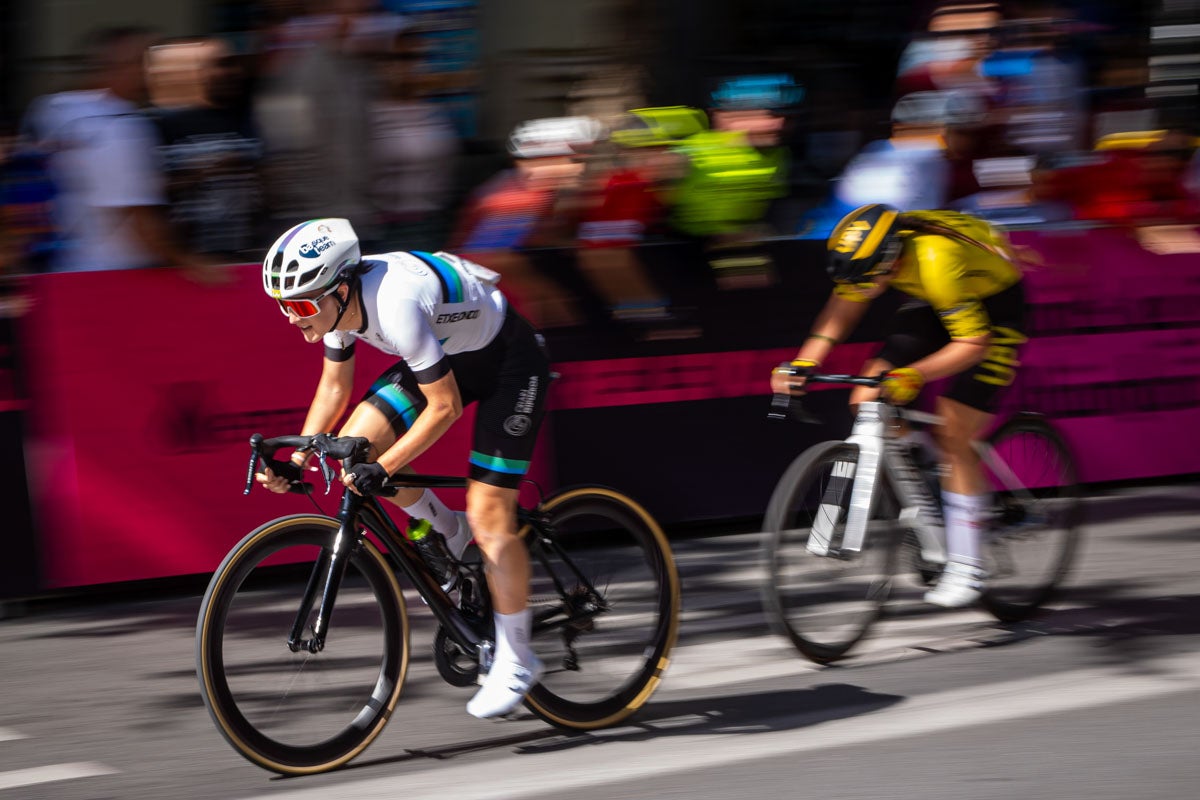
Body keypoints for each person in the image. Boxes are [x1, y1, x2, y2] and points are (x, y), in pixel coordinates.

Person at [254, 218, 551, 718]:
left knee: (490, 514)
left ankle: (518, 655)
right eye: (284, 306)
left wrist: (386, 467)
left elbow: (445, 408)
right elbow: (333, 389)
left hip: (507, 364)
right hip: (447, 353)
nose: (291, 318)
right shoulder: (340, 310)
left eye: (302, 305)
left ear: (341, 288)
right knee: (357, 450)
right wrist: (300, 456)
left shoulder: (394, 305)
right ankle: (447, 529)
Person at [770, 204, 1029, 608]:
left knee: (952, 432)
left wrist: (915, 375)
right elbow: (840, 312)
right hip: (936, 301)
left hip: (995, 311)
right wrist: (805, 361)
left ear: (890, 261)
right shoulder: (870, 258)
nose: (857, 286)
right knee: (866, 398)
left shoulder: (934, 258)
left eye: (866, 279)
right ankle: (930, 492)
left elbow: (972, 345)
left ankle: (967, 565)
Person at [16, 26, 213, 274]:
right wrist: (191, 264)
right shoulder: (121, 127)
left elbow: (88, 180)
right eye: (150, 62)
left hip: (60, 271)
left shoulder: (51, 108)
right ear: (125, 67)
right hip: (118, 274)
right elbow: (138, 219)